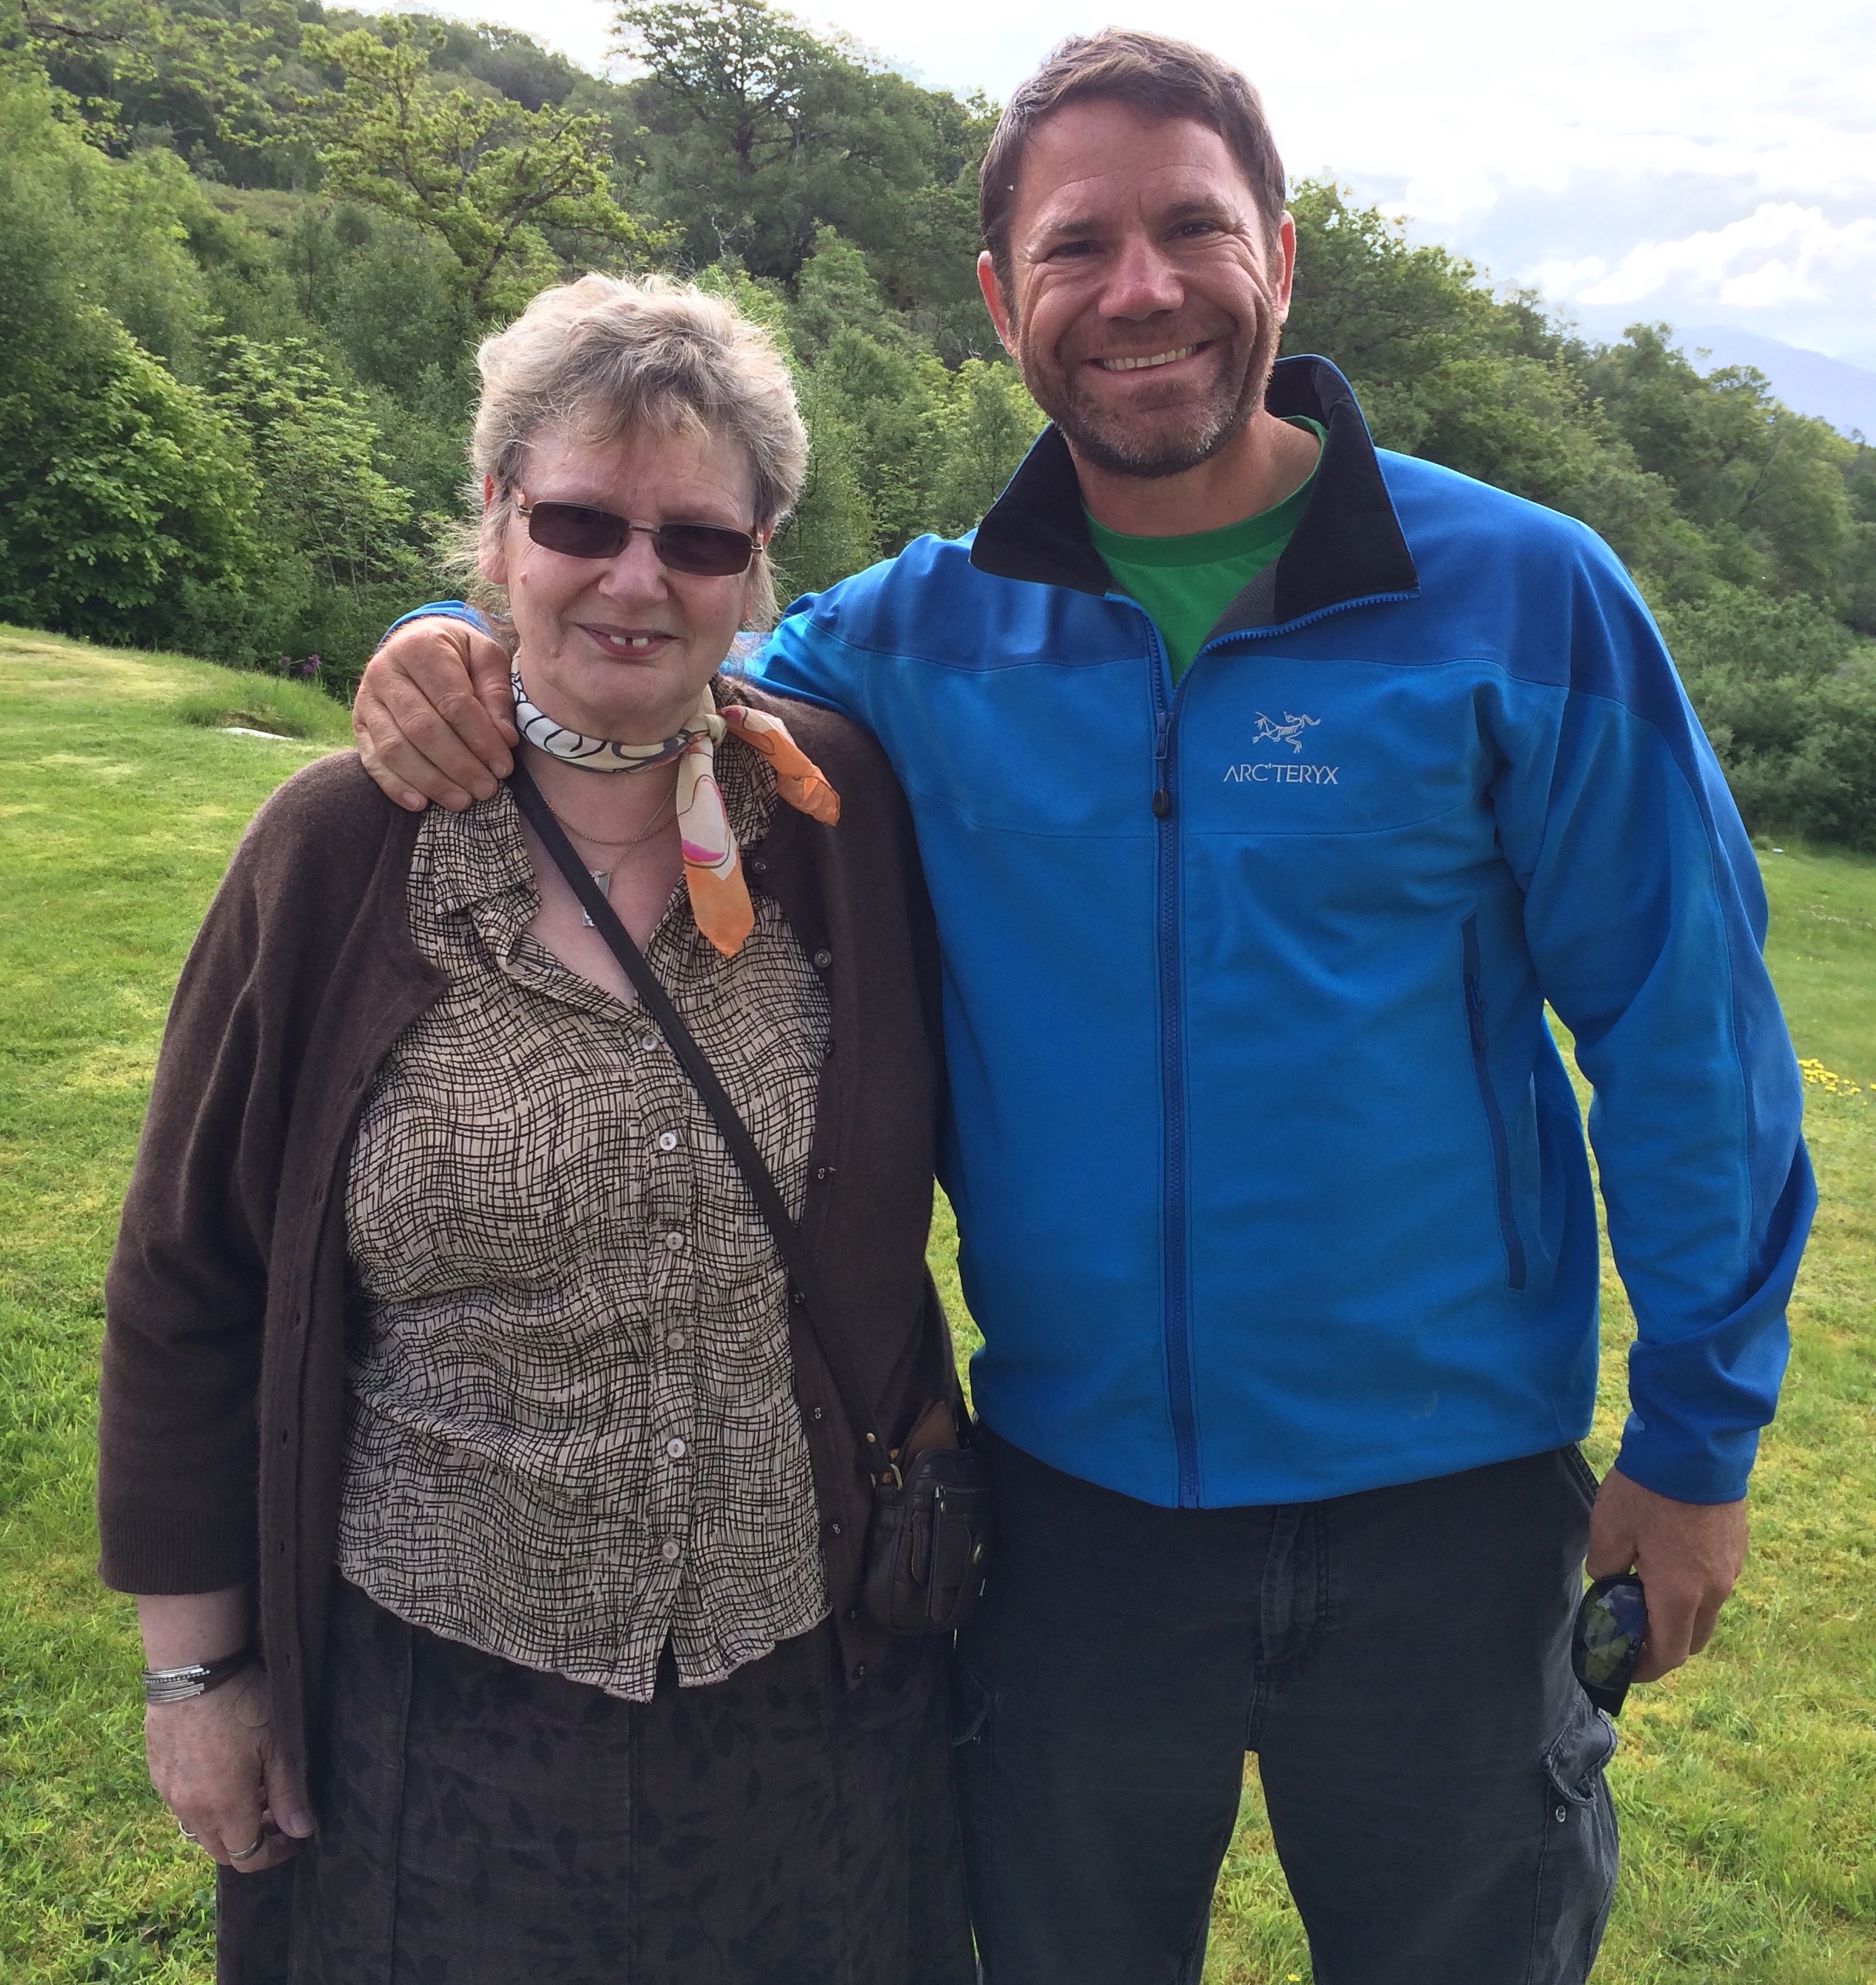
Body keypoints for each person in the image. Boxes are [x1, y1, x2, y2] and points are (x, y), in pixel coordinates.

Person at [350, 32, 1815, 1985]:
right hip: (1068, 1516)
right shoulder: (917, 635)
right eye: (1077, 246)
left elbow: (1687, 1043)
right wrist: (451, 635)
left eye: (1191, 228)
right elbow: (650, 655)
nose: (1140, 288)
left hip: (1453, 1518)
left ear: (1279, 258)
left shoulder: (1527, 599)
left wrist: (1699, 1440)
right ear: (1000, 302)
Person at [98, 273, 974, 1985]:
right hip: (441, 1709)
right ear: (497, 519)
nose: (638, 577)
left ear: (758, 559)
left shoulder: (842, 820)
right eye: (579, 517)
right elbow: (188, 1274)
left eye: (698, 540)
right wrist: (200, 1676)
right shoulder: (336, 851)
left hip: (815, 1696)